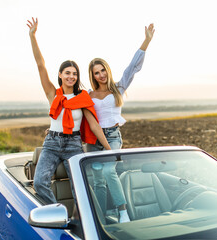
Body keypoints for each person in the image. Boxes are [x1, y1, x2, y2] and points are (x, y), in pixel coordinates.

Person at [27, 18, 111, 204]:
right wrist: (33, 36)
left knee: (79, 186)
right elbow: (41, 65)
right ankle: (57, 212)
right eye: (67, 73)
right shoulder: (53, 94)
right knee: (40, 183)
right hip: (52, 143)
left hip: (73, 144)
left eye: (74, 74)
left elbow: (94, 125)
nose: (71, 76)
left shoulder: (82, 98)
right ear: (60, 75)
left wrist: (109, 149)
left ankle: (80, 220)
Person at [87, 23, 155, 223]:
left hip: (113, 136)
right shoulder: (88, 95)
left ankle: (122, 211)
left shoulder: (119, 87)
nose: (101, 75)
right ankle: (99, 216)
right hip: (95, 140)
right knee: (98, 180)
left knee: (109, 170)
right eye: (97, 73)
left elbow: (133, 66)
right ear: (93, 76)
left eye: (103, 70)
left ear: (107, 70)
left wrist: (147, 40)